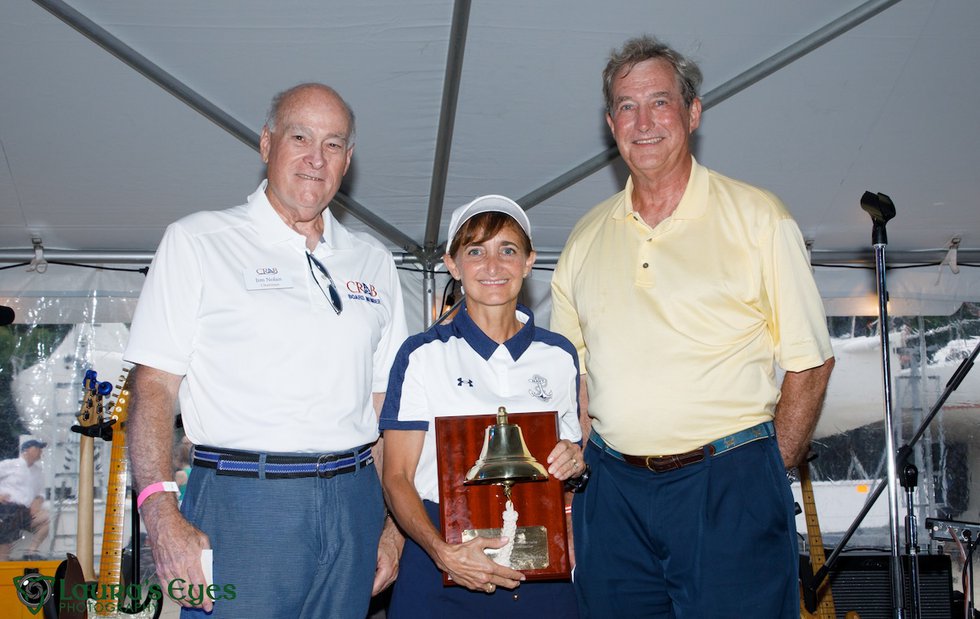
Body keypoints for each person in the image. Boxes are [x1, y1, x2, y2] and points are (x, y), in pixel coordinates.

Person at [550, 36, 835, 618]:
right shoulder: (583, 239)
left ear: (693, 111)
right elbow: (571, 378)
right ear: (610, 123)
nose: (644, 121)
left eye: (660, 102)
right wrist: (576, 501)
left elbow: (810, 362)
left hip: (729, 486)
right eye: (627, 106)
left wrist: (761, 474)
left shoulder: (759, 217)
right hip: (613, 495)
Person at [125, 82, 408, 618]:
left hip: (354, 504)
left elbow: (384, 409)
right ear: (266, 144)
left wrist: (391, 527)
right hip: (241, 504)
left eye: (332, 144)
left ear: (347, 160)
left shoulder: (373, 262)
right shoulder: (199, 242)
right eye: (300, 136)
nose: (314, 158)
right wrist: (160, 514)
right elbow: (155, 387)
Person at [380, 195, 585, 618]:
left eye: (507, 250)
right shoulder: (421, 355)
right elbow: (397, 477)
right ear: (453, 266)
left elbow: (572, 465)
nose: (493, 267)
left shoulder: (559, 355)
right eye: (476, 251)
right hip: (441, 551)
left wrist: (575, 462)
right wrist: (442, 552)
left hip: (541, 555)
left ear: (528, 262)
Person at [0, 439, 50, 561]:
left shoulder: (38, 472)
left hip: (25, 511)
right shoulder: (10, 464)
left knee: (45, 520)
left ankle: (30, 552)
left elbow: (41, 493)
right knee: (6, 540)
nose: (40, 452)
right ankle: (3, 564)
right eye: (37, 448)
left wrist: (37, 502)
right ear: (27, 450)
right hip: (7, 509)